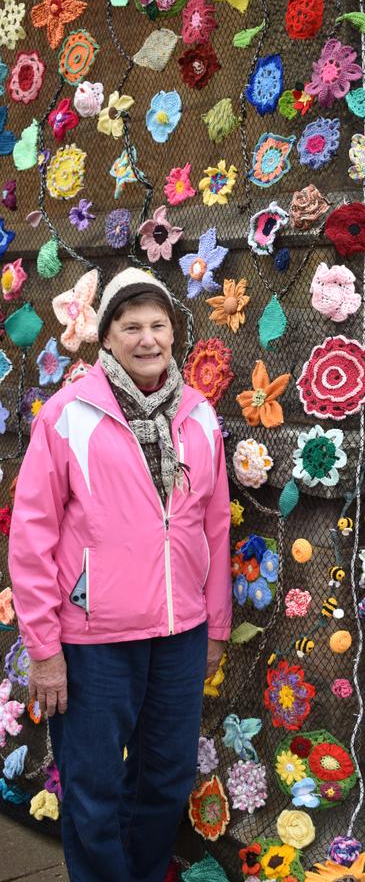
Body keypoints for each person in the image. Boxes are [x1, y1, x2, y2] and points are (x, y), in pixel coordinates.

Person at [9, 267, 232, 882]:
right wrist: (44, 650)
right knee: (95, 788)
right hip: (93, 639)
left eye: (158, 324)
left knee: (165, 781)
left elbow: (214, 529)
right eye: (130, 326)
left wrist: (215, 627)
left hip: (179, 634)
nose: (147, 338)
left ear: (174, 333)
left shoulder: (198, 416)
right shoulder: (67, 415)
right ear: (106, 336)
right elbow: (32, 537)